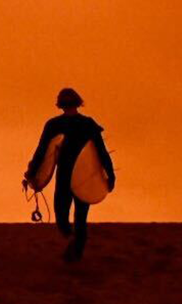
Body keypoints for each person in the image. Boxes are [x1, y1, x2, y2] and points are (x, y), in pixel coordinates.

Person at [25, 87, 115, 262]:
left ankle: (74, 253)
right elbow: (43, 151)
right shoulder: (64, 125)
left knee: (70, 217)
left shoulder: (76, 124)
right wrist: (110, 175)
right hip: (76, 176)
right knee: (71, 218)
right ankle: (74, 247)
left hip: (78, 176)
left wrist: (32, 173)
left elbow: (41, 152)